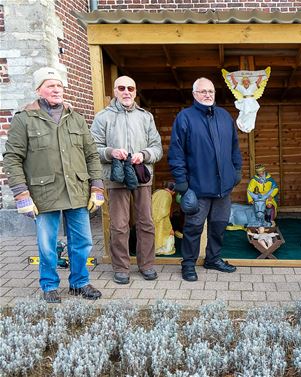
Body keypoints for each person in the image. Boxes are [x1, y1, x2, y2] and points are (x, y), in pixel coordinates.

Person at [3, 67, 104, 303]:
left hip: (77, 190)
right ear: (39, 90)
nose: (56, 89)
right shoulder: (24, 120)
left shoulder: (76, 119)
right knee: (47, 245)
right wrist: (21, 194)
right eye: (50, 85)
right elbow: (12, 158)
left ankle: (80, 282)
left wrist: (97, 187)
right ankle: (49, 285)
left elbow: (91, 155)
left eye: (59, 85)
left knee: (82, 241)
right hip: (43, 193)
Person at [168, 77, 243, 282]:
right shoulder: (185, 118)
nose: (208, 94)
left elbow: (235, 148)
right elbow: (176, 153)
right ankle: (189, 264)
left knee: (218, 227)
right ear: (194, 95)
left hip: (223, 189)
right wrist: (182, 182)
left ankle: (213, 259)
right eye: (203, 91)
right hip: (197, 187)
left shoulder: (225, 117)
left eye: (210, 91)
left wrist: (236, 171)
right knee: (193, 229)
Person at [91, 76, 163, 285]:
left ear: (135, 91)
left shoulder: (146, 117)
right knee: (119, 225)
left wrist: (145, 154)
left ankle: (147, 265)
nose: (126, 92)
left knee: (146, 223)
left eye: (130, 88)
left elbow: (157, 147)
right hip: (116, 178)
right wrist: (111, 152)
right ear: (114, 91)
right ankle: (121, 268)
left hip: (141, 176)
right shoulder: (102, 117)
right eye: (121, 88)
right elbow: (92, 149)